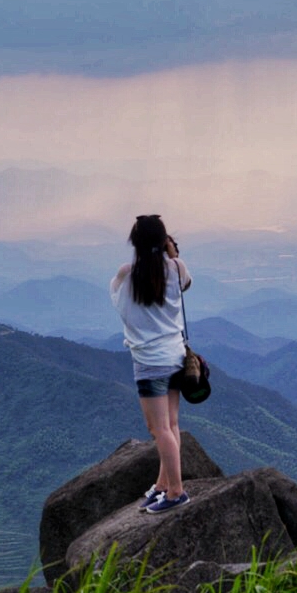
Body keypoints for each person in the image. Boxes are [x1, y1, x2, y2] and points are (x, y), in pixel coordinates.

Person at [110, 214, 193, 513]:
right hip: (176, 358)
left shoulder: (127, 273)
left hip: (149, 362)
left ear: (134, 242)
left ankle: (176, 492)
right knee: (170, 426)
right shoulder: (176, 268)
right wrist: (172, 253)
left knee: (159, 430)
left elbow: (116, 296)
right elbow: (187, 284)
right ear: (163, 240)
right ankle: (162, 486)